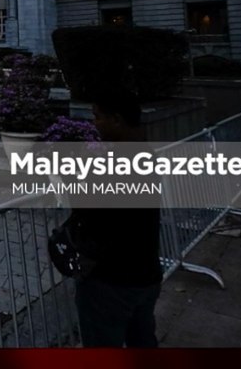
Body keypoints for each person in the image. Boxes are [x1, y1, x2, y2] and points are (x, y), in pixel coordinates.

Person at [70, 87, 163, 347]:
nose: (94, 123)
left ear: (117, 119)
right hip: (145, 274)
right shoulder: (145, 154)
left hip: (111, 280)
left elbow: (87, 211)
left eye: (98, 116)